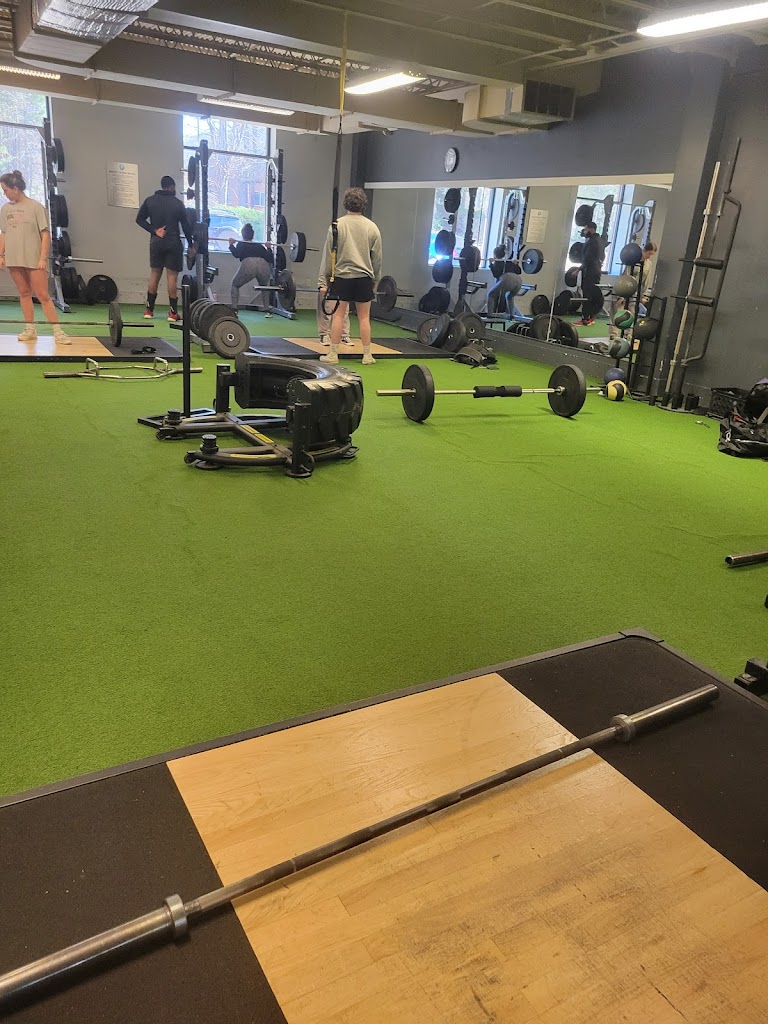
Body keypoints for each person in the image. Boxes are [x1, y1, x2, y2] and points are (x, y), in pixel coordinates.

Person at [0, 170, 71, 345]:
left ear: (15, 188)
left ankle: (58, 332)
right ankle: (30, 329)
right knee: (24, 293)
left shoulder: (36, 207)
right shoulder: (5, 209)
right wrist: (1, 254)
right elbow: (4, 233)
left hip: (33, 258)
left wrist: (42, 258)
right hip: (14, 258)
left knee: (43, 295)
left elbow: (45, 234)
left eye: (6, 190)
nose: (4, 194)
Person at [318, 187, 382, 366]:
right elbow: (377, 259)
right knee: (364, 317)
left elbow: (328, 255)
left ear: (346, 203)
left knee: (338, 316)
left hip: (342, 277)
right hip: (364, 278)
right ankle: (367, 356)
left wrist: (324, 280)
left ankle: (333, 354)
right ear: (363, 204)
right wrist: (375, 279)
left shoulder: (336, 226)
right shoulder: (372, 227)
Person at [135, 175, 195, 322]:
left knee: (155, 274)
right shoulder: (177, 204)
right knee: (172, 276)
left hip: (156, 242)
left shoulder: (150, 201)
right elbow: (186, 226)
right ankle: (173, 313)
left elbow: (139, 219)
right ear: (172, 187)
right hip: (173, 243)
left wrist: (154, 231)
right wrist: (191, 245)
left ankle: (149, 310)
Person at [228, 224, 274, 314]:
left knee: (235, 285)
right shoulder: (259, 245)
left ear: (243, 234)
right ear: (252, 235)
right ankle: (267, 311)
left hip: (249, 264)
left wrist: (231, 245)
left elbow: (236, 254)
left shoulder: (241, 244)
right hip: (263, 265)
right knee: (264, 287)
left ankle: (234, 309)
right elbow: (270, 258)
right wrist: (269, 248)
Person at [576, 221, 606, 327]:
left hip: (590, 272)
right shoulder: (600, 241)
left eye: (586, 229)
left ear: (591, 229)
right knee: (593, 294)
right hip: (596, 271)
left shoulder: (592, 242)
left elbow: (587, 259)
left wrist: (577, 270)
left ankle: (585, 318)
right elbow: (602, 257)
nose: (584, 231)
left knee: (587, 295)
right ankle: (591, 317)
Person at [486, 245, 523, 319]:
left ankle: (489, 315)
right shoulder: (509, 261)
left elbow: (496, 274)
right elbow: (519, 271)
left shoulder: (498, 262)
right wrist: (516, 264)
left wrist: (490, 264)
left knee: (490, 295)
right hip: (518, 280)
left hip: (507, 279)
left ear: (495, 254)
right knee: (509, 296)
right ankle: (511, 315)